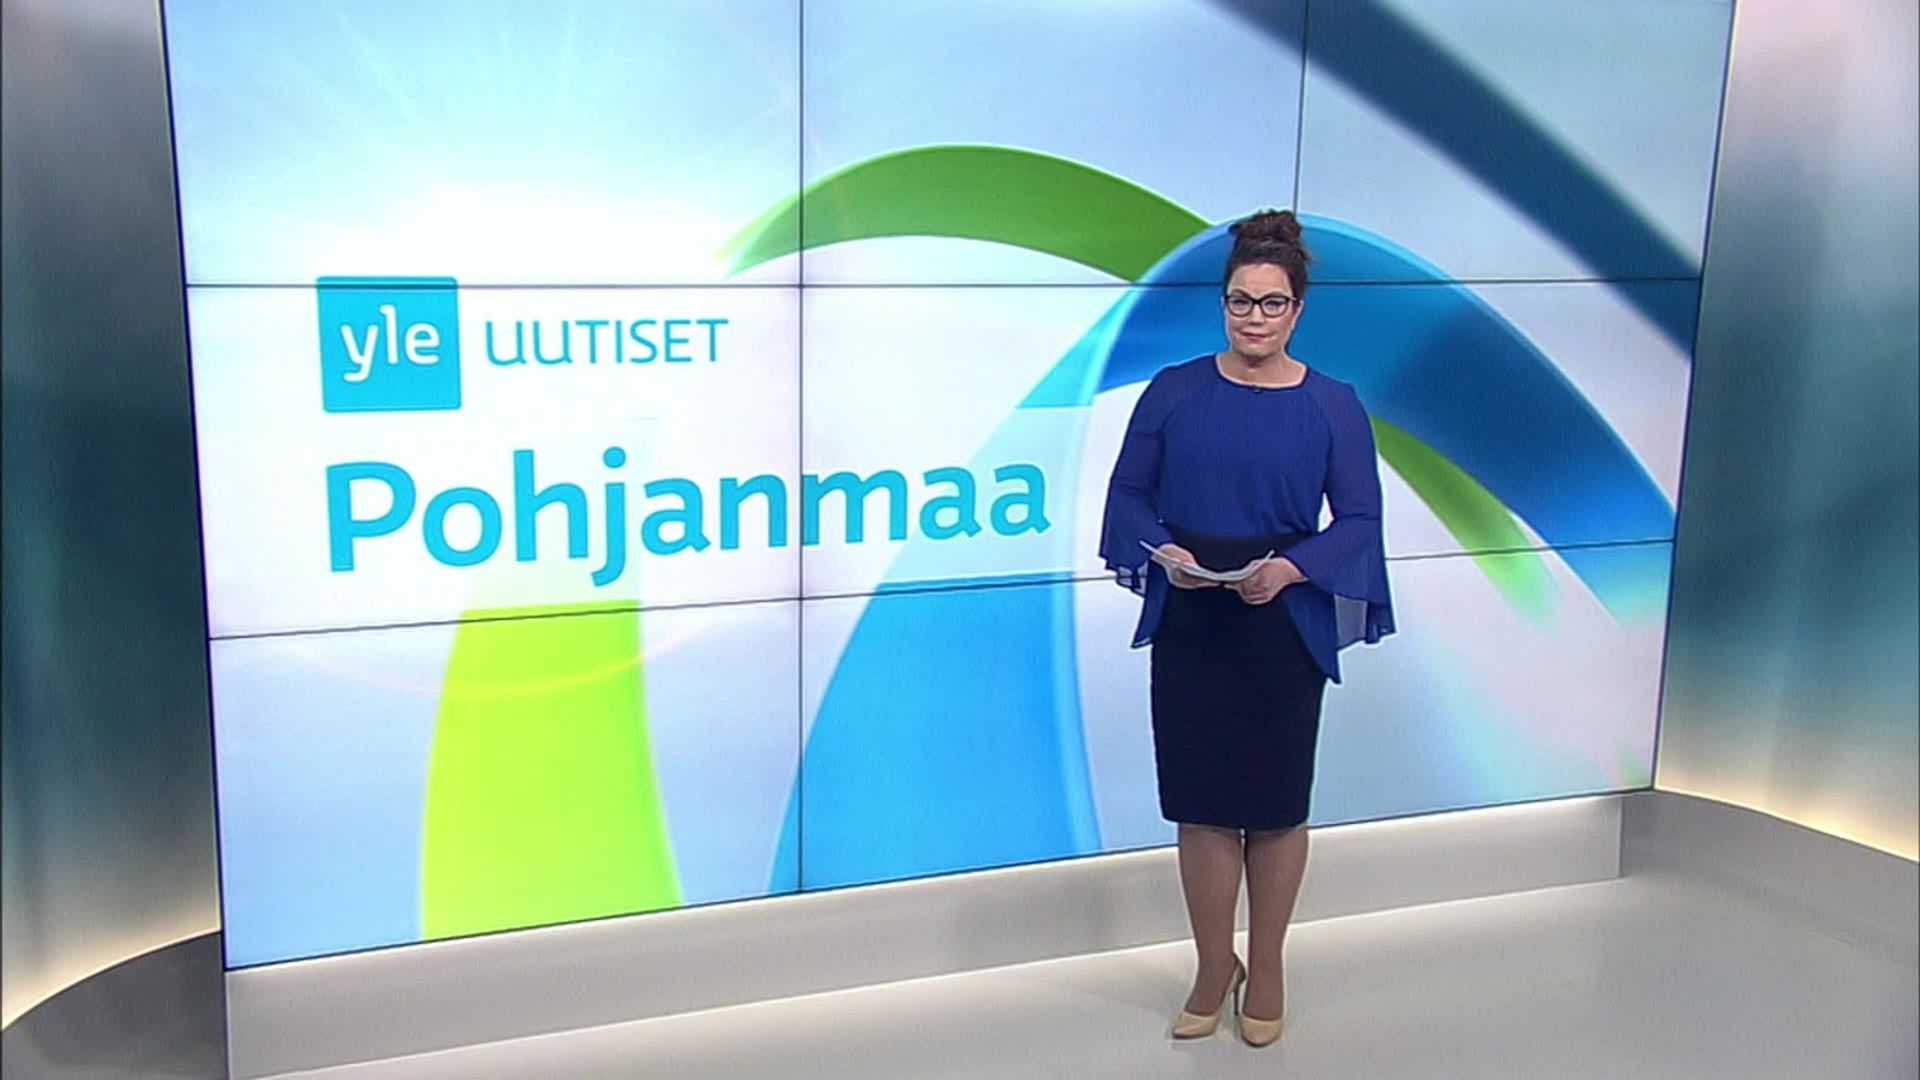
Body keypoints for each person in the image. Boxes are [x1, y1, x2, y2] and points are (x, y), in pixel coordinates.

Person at [1098, 208, 1394, 1047]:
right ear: (1222, 303)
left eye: (1271, 303)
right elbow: (1128, 496)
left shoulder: (1333, 405)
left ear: (1297, 310)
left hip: (1282, 620)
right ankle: (1210, 964)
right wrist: (1165, 552)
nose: (1254, 317)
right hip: (1195, 612)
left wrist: (1292, 570)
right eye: (1240, 301)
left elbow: (1360, 520)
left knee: (1272, 806)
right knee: (1201, 805)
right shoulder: (1174, 391)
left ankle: (1265, 967)